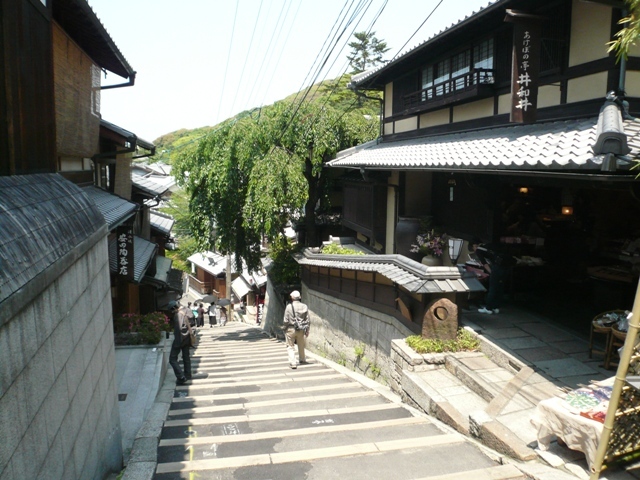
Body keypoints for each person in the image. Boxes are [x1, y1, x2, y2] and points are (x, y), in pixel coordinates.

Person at [468, 238, 514, 315]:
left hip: (497, 267)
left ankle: (488, 308)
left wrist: (491, 272)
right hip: (506, 267)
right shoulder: (488, 245)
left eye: (473, 247)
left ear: (474, 246)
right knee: (500, 287)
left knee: (492, 288)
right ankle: (496, 307)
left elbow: (484, 264)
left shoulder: (479, 250)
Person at [283, 290, 310, 369]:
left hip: (290, 328)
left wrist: (284, 328)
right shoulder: (304, 306)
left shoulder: (289, 306)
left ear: (292, 298)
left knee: (290, 346)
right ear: (299, 297)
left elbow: (285, 320)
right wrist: (307, 330)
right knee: (301, 344)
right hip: (301, 329)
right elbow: (308, 320)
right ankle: (302, 359)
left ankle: (293, 362)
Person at [167, 301, 192, 385]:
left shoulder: (178, 315)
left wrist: (177, 342)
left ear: (174, 308)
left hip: (180, 338)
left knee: (172, 359)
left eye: (172, 310)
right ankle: (188, 374)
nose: (172, 312)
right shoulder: (187, 310)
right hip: (187, 337)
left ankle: (181, 377)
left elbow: (179, 329)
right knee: (186, 357)